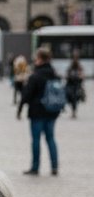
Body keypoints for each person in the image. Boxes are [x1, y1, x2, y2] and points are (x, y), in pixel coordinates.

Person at [18, 46, 62, 175]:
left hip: (37, 112)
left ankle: (35, 167)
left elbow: (27, 95)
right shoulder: (55, 74)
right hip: (52, 111)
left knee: (36, 139)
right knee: (51, 138)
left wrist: (20, 109)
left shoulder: (35, 76)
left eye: (36, 58)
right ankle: (54, 167)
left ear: (40, 59)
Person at [66, 50, 85, 118]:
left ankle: (74, 112)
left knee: (74, 99)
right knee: (71, 98)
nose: (75, 58)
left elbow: (82, 76)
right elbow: (67, 75)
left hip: (76, 85)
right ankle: (73, 111)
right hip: (71, 84)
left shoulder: (79, 66)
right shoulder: (71, 65)